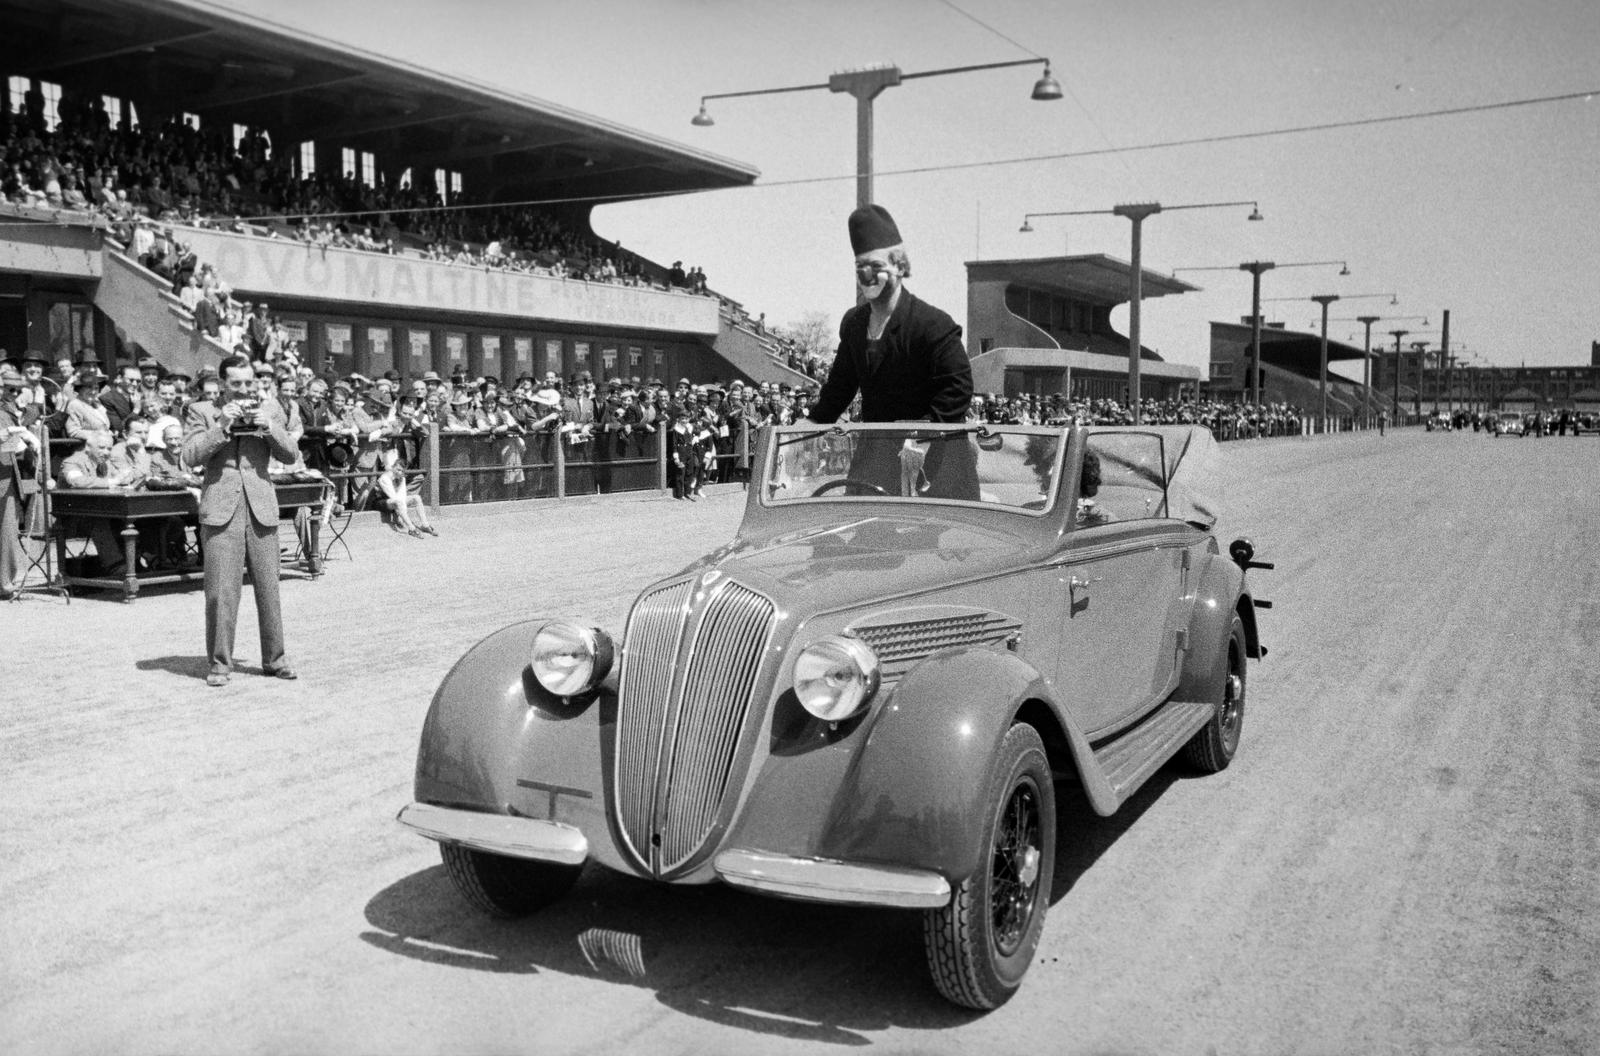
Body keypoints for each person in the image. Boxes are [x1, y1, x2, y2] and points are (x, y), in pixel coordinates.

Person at [807, 203, 977, 499]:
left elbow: (958, 387)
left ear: (899, 266)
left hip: (936, 461)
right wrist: (812, 422)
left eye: (876, 265)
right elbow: (840, 387)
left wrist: (922, 436)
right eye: (860, 267)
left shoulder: (933, 323)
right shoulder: (855, 324)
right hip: (878, 455)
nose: (867, 274)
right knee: (860, 525)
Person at [181, 354, 299, 687]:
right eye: (236, 383)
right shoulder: (202, 411)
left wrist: (269, 428)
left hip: (261, 506)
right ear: (222, 383)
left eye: (249, 382)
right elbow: (189, 456)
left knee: (269, 588)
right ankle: (220, 664)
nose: (244, 389)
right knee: (221, 592)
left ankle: (275, 659)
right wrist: (222, 427)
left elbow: (291, 454)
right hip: (221, 509)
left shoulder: (271, 408)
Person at [1, 364, 43, 598]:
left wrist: (27, 437)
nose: (13, 394)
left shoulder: (12, 409)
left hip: (7, 475)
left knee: (8, 529)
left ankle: (5, 583)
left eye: (17, 390)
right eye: (9, 389)